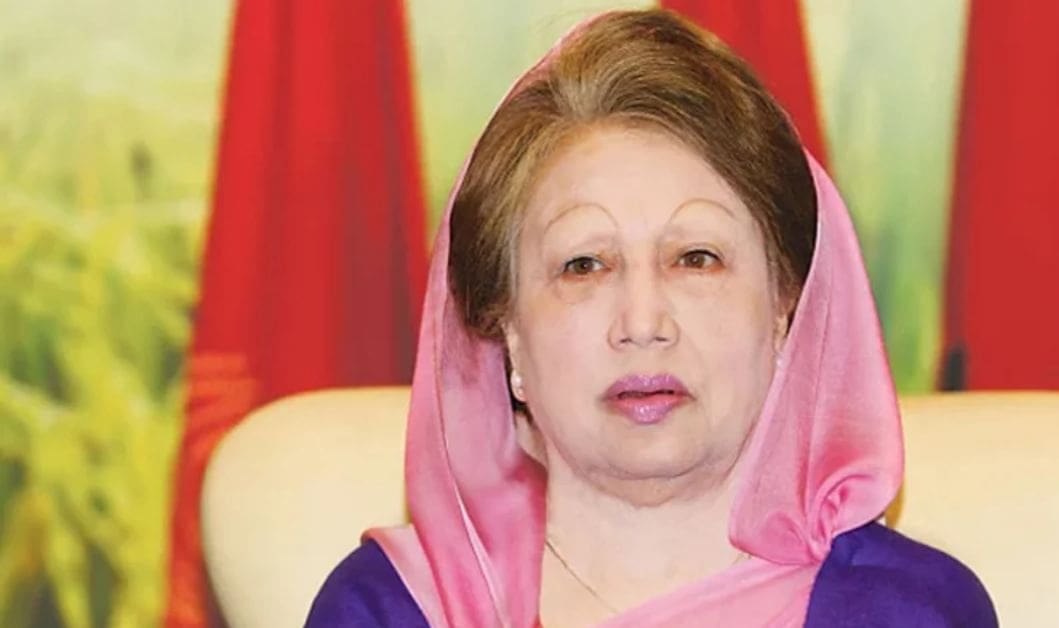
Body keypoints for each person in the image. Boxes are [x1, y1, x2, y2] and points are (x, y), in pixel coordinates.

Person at [306, 9, 996, 627]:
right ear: (507, 333)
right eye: (585, 265)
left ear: (788, 307)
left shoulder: (908, 611)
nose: (642, 321)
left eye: (696, 258)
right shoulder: (388, 611)